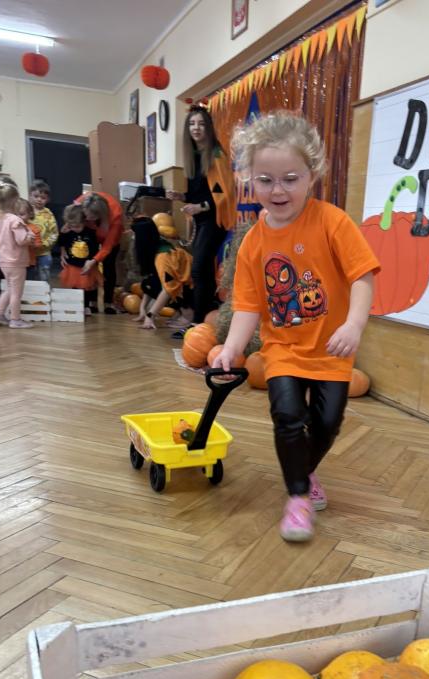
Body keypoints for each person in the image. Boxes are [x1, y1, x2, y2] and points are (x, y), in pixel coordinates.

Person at [213, 111, 380, 543]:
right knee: (288, 417)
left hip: (331, 350)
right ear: (249, 180)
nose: (278, 190)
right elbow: (248, 304)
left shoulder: (332, 221)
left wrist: (354, 324)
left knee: (326, 423)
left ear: (312, 176)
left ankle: (304, 469)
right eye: (265, 180)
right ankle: (298, 496)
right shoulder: (253, 242)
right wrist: (232, 348)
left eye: (290, 179)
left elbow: (362, 276)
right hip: (283, 350)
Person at [166, 105, 235, 326]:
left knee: (199, 270)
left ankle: (198, 322)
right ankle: (203, 321)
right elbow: (201, 192)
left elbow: (223, 193)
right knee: (201, 271)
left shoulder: (216, 155)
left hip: (214, 220)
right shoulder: (194, 157)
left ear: (209, 128)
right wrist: (182, 196)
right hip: (202, 219)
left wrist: (200, 207)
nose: (196, 128)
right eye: (192, 124)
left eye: (201, 124)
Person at [130, 216, 193, 330]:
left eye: (135, 235)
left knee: (162, 286)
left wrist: (150, 316)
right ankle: (180, 312)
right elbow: (151, 283)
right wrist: (142, 309)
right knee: (148, 283)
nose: (133, 238)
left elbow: (169, 289)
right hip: (184, 284)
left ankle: (188, 314)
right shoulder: (156, 247)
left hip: (193, 286)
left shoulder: (162, 257)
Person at [0, 180, 35, 329]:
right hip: (16, 262)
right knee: (16, 293)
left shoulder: (0, 218)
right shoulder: (15, 220)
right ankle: (15, 319)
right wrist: (30, 236)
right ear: (14, 201)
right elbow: (21, 240)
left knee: (9, 289)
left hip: (4, 261)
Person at [73, 191, 124, 313]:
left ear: (100, 215)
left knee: (109, 265)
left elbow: (107, 247)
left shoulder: (116, 217)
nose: (87, 218)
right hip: (90, 235)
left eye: (90, 217)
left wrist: (94, 260)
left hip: (110, 237)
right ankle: (91, 301)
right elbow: (71, 221)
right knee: (89, 267)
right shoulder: (79, 204)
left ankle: (108, 302)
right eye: (85, 215)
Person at [58, 204, 102, 314]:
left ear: (84, 222)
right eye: (72, 226)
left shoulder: (90, 232)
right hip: (73, 265)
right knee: (75, 286)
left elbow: (94, 248)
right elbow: (61, 243)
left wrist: (91, 260)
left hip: (86, 265)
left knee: (87, 287)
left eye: (77, 226)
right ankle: (77, 305)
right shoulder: (68, 231)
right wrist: (62, 233)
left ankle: (86, 305)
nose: (74, 229)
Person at [29, 179, 59, 283]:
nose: (39, 199)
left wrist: (45, 244)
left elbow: (54, 233)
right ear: (30, 196)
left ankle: (45, 292)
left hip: (44, 252)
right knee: (30, 277)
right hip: (29, 252)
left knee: (44, 277)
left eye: (43, 198)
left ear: (47, 199)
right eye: (36, 196)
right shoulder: (26, 211)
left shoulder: (48, 214)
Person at [16, 198, 42, 277]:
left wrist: (32, 243)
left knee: (29, 282)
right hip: (14, 263)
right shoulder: (12, 227)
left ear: (30, 214)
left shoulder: (34, 228)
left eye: (21, 214)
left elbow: (38, 245)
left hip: (29, 263)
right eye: (15, 214)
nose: (18, 217)